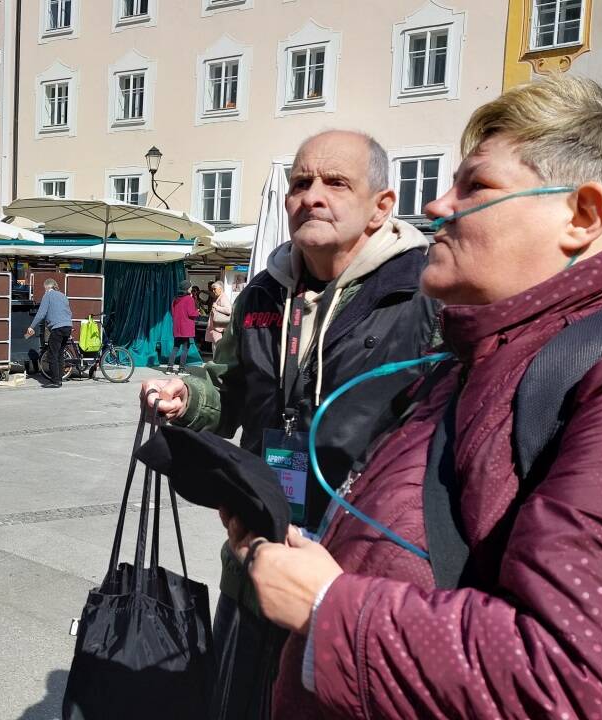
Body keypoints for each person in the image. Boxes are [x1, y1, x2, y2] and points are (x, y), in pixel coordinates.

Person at [234, 75, 602, 719]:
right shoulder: (486, 346)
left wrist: (329, 610)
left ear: (582, 215)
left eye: (475, 186)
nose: (435, 206)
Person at [141, 130, 439, 718]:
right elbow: (226, 386)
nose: (312, 196)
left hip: (353, 575)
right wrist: (187, 397)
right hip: (254, 554)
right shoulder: (265, 291)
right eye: (300, 183)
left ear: (382, 205)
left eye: (335, 182)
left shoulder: (424, 290)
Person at [25, 277, 72, 388]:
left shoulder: (48, 295)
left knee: (52, 354)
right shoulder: (63, 296)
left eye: (44, 288)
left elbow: (41, 313)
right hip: (67, 327)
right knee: (60, 354)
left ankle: (56, 381)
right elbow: (69, 312)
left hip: (57, 328)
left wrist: (31, 326)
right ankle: (60, 378)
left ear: (47, 287)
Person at [169, 281, 200, 374]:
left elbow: (173, 313)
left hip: (177, 327)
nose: (191, 288)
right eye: (190, 287)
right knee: (185, 348)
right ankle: (181, 368)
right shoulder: (189, 299)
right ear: (187, 288)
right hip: (186, 328)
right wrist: (197, 312)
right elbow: (191, 313)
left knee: (175, 347)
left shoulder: (175, 299)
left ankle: (169, 368)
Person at [205, 280, 232, 346]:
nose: (213, 291)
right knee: (215, 348)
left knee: (216, 348)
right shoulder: (219, 297)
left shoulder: (223, 298)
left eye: (214, 289)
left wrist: (217, 307)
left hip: (218, 329)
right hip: (217, 328)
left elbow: (229, 310)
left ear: (220, 289)